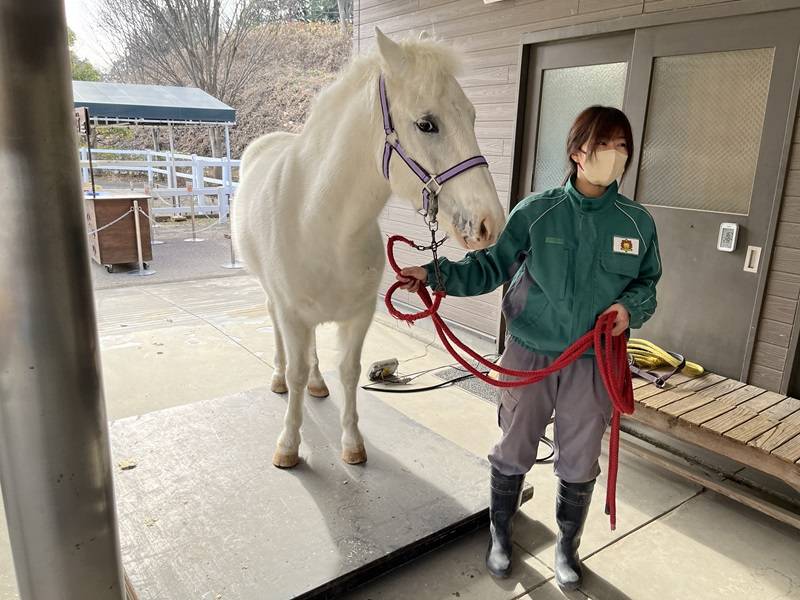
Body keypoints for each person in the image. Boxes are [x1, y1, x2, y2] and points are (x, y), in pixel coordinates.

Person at [397, 106, 662, 590]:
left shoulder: (637, 223)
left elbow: (647, 285)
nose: (618, 154)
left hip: (592, 360)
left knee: (580, 459)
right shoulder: (537, 212)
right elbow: (488, 268)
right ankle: (501, 534)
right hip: (529, 354)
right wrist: (432, 275)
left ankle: (567, 548)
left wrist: (629, 310)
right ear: (578, 151)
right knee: (514, 447)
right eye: (608, 144)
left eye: (624, 145)